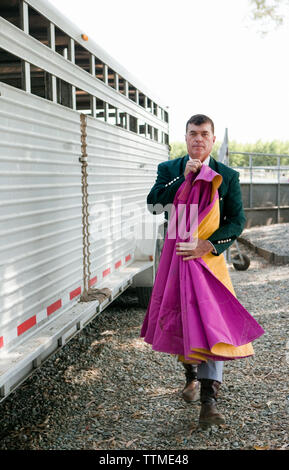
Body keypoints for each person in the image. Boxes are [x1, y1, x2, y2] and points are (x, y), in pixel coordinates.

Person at [145, 114, 247, 427]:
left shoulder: (227, 175)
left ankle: (209, 401)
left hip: (209, 261)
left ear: (212, 139)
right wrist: (181, 179)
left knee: (212, 325)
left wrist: (210, 245)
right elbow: (153, 204)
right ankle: (190, 376)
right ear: (186, 137)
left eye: (204, 134)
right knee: (182, 320)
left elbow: (237, 220)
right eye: (193, 134)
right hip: (177, 257)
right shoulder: (169, 169)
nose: (198, 139)